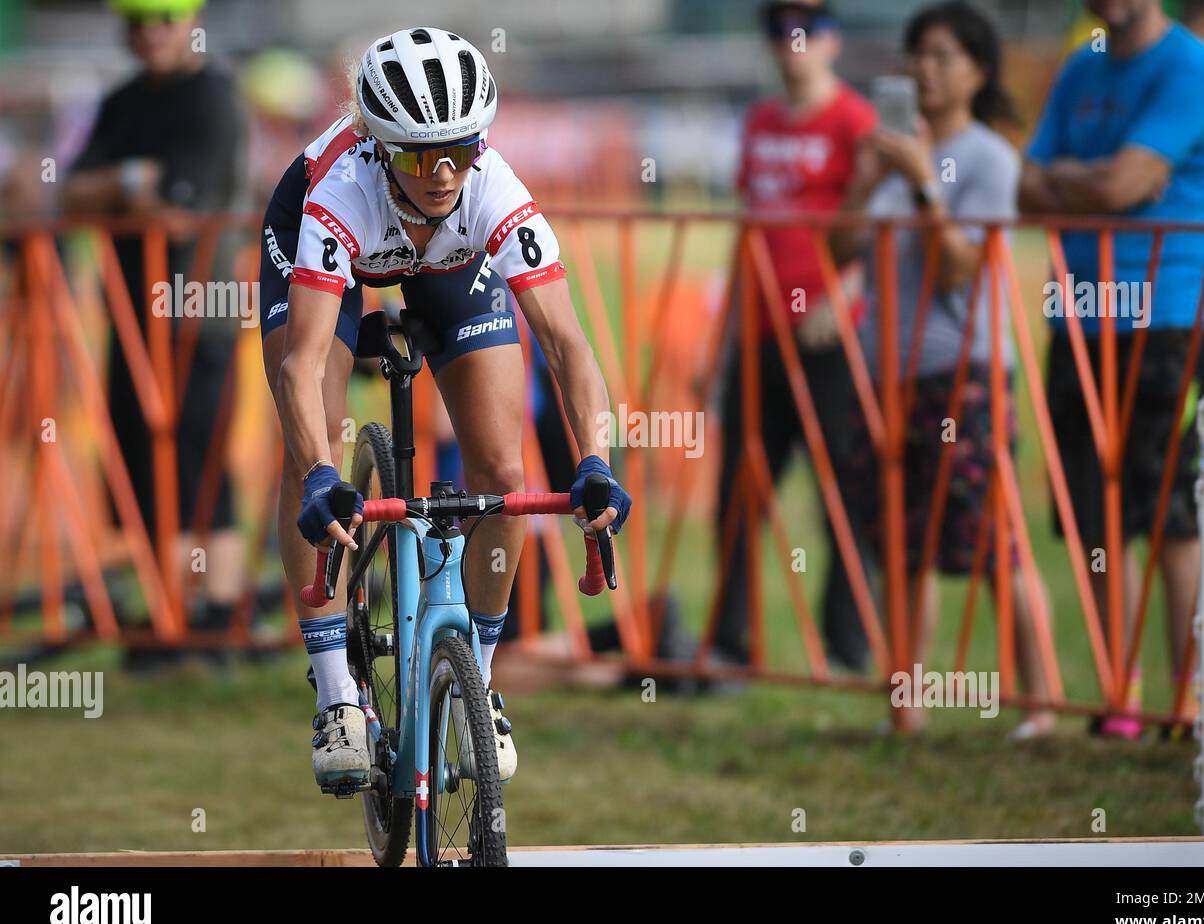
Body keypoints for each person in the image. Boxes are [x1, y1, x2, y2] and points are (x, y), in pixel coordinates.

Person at [260, 28, 629, 791]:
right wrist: (318, 476)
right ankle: (336, 694)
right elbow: (299, 365)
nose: (444, 173)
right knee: (315, 446)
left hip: (451, 264)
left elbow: (569, 344)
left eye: (461, 150)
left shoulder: (490, 187)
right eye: (423, 157)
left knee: (504, 470)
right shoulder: (338, 192)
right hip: (335, 249)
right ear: (381, 147)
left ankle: (478, 684)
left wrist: (595, 460)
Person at [830, 0, 1054, 736]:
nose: (924, 70)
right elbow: (839, 253)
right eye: (916, 55)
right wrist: (869, 181)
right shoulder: (897, 151)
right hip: (888, 376)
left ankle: (1043, 703)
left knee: (996, 540)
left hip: (965, 374)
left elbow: (960, 267)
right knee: (905, 544)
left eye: (942, 57)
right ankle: (908, 706)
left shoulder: (990, 158)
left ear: (978, 71)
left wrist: (927, 182)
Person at [1018, 0, 1204, 737]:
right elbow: (1025, 188)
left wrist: (1075, 181)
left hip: (1167, 318)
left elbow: (1117, 187)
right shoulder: (1080, 68)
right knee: (1095, 520)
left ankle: (1190, 700)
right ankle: (1121, 700)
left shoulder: (1192, 68)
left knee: (1171, 514)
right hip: (1076, 317)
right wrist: (1097, 179)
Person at [64, 0, 246, 652]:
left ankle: (212, 614)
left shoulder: (212, 100)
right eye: (137, 22)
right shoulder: (121, 102)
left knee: (197, 456)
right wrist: (132, 180)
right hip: (132, 309)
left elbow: (177, 212)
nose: (149, 34)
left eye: (162, 19)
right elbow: (70, 191)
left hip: (201, 308)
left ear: (188, 21)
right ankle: (171, 610)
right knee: (141, 454)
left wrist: (118, 186)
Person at [715, 0, 877, 673]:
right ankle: (728, 645)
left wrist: (844, 296)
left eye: (807, 30)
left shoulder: (856, 121)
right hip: (757, 338)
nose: (793, 43)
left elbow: (874, 227)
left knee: (843, 495)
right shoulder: (759, 122)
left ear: (833, 40)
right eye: (780, 31)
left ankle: (847, 648)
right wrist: (720, 342)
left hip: (829, 342)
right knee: (737, 494)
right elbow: (746, 231)